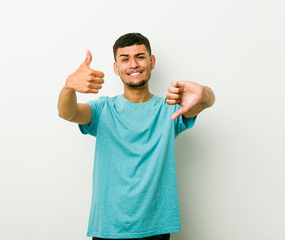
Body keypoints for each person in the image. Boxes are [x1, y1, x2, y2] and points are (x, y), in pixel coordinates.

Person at [58, 33, 215, 240]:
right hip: (108, 227)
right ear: (116, 67)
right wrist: (69, 87)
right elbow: (67, 113)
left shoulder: (170, 109)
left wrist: (205, 94)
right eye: (125, 59)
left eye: (140, 57)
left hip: (155, 228)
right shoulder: (103, 109)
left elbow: (202, 103)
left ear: (151, 61)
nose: (133, 64)